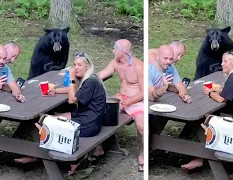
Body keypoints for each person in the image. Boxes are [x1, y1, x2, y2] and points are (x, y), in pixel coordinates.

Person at [14, 52, 107, 175]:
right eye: (74, 65)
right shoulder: (90, 78)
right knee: (47, 118)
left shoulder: (91, 82)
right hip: (88, 118)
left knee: (49, 126)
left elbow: (72, 99)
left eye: (79, 65)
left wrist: (72, 78)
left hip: (88, 124)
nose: (76, 67)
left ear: (87, 67)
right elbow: (74, 91)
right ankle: (38, 152)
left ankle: (38, 156)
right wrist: (55, 90)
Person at [182, 51, 233, 176]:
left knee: (209, 123)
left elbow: (221, 99)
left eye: (225, 61)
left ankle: (200, 158)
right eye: (222, 61)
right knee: (219, 117)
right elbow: (229, 91)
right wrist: (218, 90)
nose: (222, 64)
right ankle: (203, 158)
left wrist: (209, 92)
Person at [96, 39, 144, 172]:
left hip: (137, 101)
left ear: (121, 52)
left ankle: (142, 155)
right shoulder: (115, 63)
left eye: (114, 48)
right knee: (99, 111)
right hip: (121, 98)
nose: (112, 51)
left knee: (142, 127)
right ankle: (99, 146)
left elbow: (145, 92)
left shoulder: (138, 66)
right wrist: (85, 76)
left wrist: (129, 102)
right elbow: (101, 75)